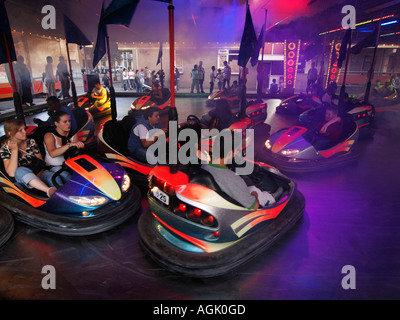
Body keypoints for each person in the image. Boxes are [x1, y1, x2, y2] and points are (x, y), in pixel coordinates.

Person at [201, 133, 275, 209]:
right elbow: (254, 206)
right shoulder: (231, 178)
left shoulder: (204, 165)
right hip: (241, 208)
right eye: (236, 150)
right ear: (230, 153)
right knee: (259, 192)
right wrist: (255, 193)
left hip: (218, 197)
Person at [0, 119, 56, 197]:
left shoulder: (31, 142)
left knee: (53, 176)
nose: (25, 132)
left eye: (24, 129)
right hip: (23, 179)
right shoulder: (5, 149)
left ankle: (64, 195)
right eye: (20, 130)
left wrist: (37, 177)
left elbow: (41, 162)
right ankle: (48, 190)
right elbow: (11, 173)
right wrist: (14, 150)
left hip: (38, 173)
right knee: (20, 170)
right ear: (10, 134)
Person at [41, 111, 84, 187]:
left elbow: (74, 153)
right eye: (65, 122)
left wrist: (79, 146)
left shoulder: (72, 135)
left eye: (69, 121)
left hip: (68, 166)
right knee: (67, 177)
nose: (68, 124)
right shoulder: (49, 135)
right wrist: (69, 145)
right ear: (56, 123)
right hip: (53, 167)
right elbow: (53, 153)